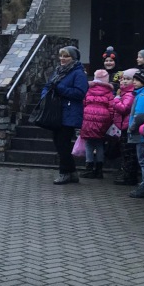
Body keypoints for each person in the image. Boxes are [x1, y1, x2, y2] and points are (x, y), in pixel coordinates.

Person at [42, 45, 89, 185]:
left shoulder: (78, 73)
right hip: (57, 112)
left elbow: (80, 93)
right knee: (59, 143)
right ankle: (72, 173)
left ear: (73, 58)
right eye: (61, 56)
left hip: (70, 113)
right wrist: (44, 96)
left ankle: (64, 173)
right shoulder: (58, 71)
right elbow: (48, 86)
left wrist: (60, 89)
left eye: (66, 56)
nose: (62, 59)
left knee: (63, 144)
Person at [79, 68, 115, 178]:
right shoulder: (109, 92)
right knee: (100, 144)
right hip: (103, 119)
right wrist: (110, 119)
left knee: (89, 143)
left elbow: (83, 103)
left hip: (88, 117)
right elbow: (112, 107)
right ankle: (99, 169)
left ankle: (89, 167)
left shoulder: (89, 90)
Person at [126, 68, 144, 198]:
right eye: (134, 79)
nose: (135, 82)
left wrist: (131, 128)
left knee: (143, 161)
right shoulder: (142, 94)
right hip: (141, 132)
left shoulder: (143, 96)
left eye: (137, 80)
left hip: (140, 134)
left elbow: (139, 116)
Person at [111, 68, 139, 185]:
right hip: (123, 126)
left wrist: (116, 99)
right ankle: (126, 174)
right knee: (125, 152)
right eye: (123, 79)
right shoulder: (125, 93)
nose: (124, 81)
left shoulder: (129, 94)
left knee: (128, 153)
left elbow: (124, 108)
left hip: (126, 126)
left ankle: (128, 176)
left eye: (128, 79)